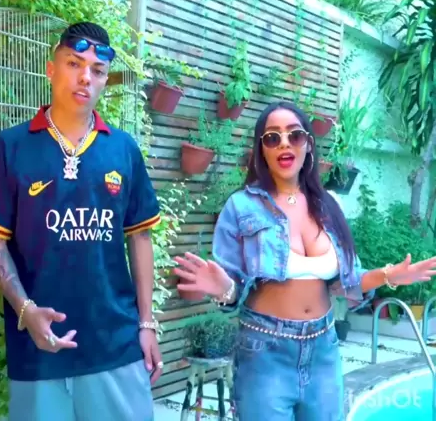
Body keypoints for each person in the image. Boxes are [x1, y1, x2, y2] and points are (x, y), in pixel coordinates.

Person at [174, 101, 436, 420]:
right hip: (265, 351)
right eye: (273, 137)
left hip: (323, 348)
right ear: (262, 150)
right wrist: (223, 288)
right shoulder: (241, 206)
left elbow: (347, 281)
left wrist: (390, 275)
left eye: (294, 135)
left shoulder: (329, 205)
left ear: (308, 145)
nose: (284, 143)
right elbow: (234, 289)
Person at [0, 22, 162, 421]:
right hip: (37, 352)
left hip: (116, 346)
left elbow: (140, 238)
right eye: (74, 63)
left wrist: (146, 324)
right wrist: (25, 310)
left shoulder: (123, 149)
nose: (85, 77)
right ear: (51, 69)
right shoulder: (11, 146)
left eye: (97, 70)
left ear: (105, 80)